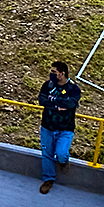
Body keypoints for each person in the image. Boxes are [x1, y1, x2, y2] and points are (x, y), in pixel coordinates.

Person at [37, 60, 81, 193]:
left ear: (62, 74)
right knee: (47, 154)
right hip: (47, 127)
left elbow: (70, 104)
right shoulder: (48, 85)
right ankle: (48, 179)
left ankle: (63, 161)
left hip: (65, 129)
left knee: (61, 152)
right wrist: (57, 105)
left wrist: (52, 101)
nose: (51, 74)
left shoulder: (73, 89)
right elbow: (42, 100)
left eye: (54, 72)